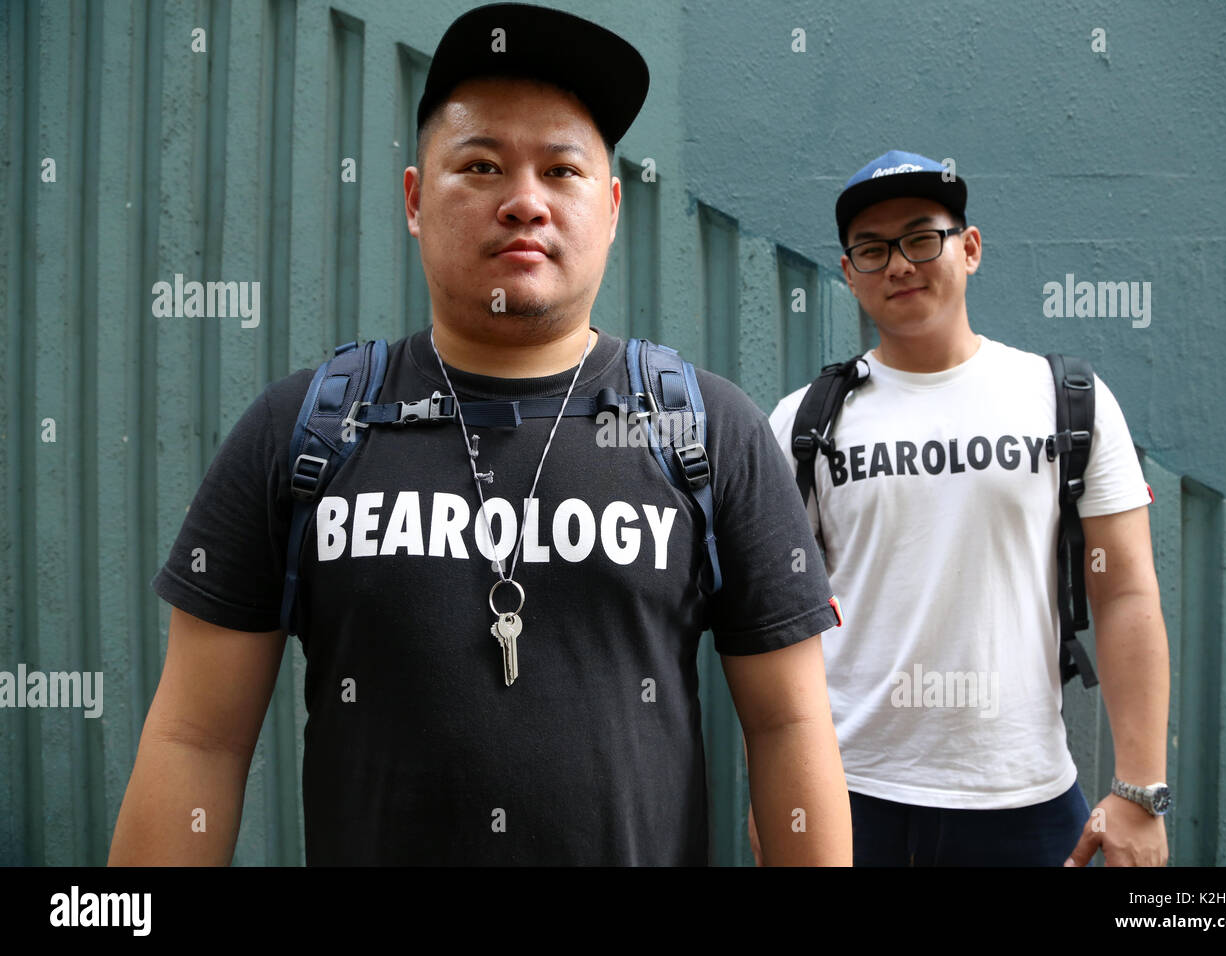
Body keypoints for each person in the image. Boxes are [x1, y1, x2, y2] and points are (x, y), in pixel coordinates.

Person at [108, 2, 851, 866]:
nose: (525, 202)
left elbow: (790, 724)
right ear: (417, 201)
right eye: (483, 165)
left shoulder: (707, 431)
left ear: (610, 208)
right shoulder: (302, 430)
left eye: (562, 171)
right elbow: (197, 739)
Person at [765, 150, 1171, 866]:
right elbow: (775, 623)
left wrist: (1140, 791)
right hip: (846, 793)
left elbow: (1127, 590)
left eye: (923, 238)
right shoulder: (802, 424)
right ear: (848, 271)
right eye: (872, 249)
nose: (899, 264)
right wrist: (782, 800)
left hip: (1024, 802)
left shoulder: (1067, 400)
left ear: (970, 248)